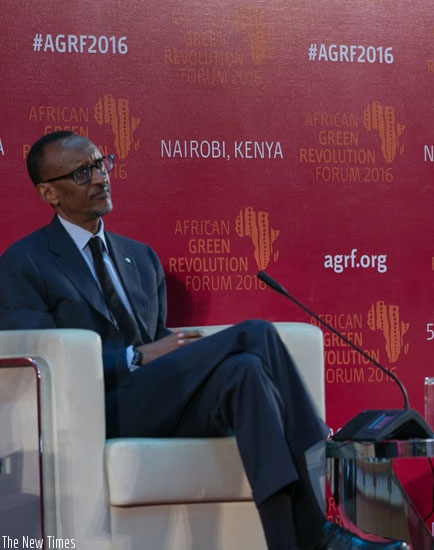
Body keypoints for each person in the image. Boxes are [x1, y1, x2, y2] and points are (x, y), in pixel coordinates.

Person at [0, 131, 408, 550]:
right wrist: (135, 357)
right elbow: (42, 368)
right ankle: (319, 459)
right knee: (257, 334)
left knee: (245, 372)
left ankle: (291, 541)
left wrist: (165, 354)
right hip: (102, 406)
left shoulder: (138, 256)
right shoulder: (24, 263)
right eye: (83, 172)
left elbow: (161, 344)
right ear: (49, 191)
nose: (101, 178)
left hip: (160, 398)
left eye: (102, 163)